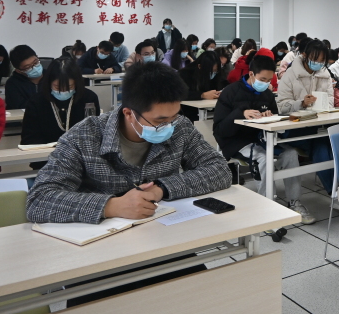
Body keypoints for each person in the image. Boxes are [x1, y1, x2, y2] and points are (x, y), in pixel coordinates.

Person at [26, 61, 232, 223]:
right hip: (104, 242)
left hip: (162, 233)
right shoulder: (84, 136)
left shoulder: (181, 127)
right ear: (129, 114)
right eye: (160, 121)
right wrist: (111, 206)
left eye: (174, 117)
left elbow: (219, 169)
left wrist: (162, 188)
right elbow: (39, 199)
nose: (169, 126)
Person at [213, 54, 314, 224]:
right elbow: (220, 130)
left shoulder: (267, 94)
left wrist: (270, 116)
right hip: (237, 141)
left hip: (262, 137)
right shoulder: (230, 92)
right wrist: (241, 113)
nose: (266, 84)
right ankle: (267, 207)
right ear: (251, 74)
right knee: (264, 158)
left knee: (290, 154)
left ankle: (294, 201)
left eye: (269, 80)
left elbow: (275, 118)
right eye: (262, 79)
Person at [277, 39, 335, 192]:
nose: (318, 63)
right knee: (321, 146)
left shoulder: (325, 75)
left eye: (322, 61)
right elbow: (281, 106)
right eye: (315, 59)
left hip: (319, 126)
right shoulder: (290, 75)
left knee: (336, 143)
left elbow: (330, 100)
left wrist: (324, 107)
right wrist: (301, 103)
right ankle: (334, 190)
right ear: (304, 55)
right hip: (296, 128)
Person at [20, 58, 100, 169]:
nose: (63, 91)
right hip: (46, 164)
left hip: (81, 163)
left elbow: (95, 134)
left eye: (69, 87)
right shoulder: (37, 102)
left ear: (77, 83)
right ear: (49, 83)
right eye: (57, 87)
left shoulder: (89, 98)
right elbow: (28, 140)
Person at [178, 51, 223, 121]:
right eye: (211, 71)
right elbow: (180, 93)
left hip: (208, 111)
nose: (213, 73)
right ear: (200, 66)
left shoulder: (216, 75)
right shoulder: (184, 74)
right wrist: (202, 95)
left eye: (215, 71)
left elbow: (216, 87)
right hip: (186, 113)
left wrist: (217, 93)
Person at [6, 45, 44, 109]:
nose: (34, 68)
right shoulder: (12, 83)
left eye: (35, 62)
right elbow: (18, 105)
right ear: (18, 71)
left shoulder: (52, 77)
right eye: (27, 67)